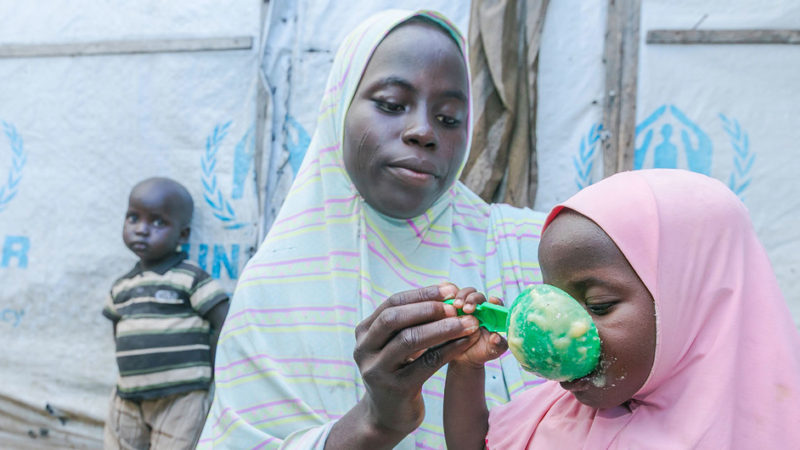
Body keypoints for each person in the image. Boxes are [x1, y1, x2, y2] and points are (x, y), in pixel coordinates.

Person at [198, 9, 546, 449]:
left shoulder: (527, 250)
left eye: (450, 117)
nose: (422, 131)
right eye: (392, 105)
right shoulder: (274, 288)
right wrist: (376, 422)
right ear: (339, 108)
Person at [443, 169, 800, 449]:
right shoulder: (557, 416)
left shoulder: (774, 432)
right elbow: (477, 444)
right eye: (554, 303)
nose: (555, 333)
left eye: (598, 305)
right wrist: (466, 365)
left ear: (692, 305)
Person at [102, 177, 230, 449]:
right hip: (128, 395)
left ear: (182, 235)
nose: (142, 230)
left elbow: (224, 323)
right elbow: (118, 332)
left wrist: (207, 372)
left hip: (181, 396)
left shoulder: (191, 278)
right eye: (133, 218)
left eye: (158, 222)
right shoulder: (121, 287)